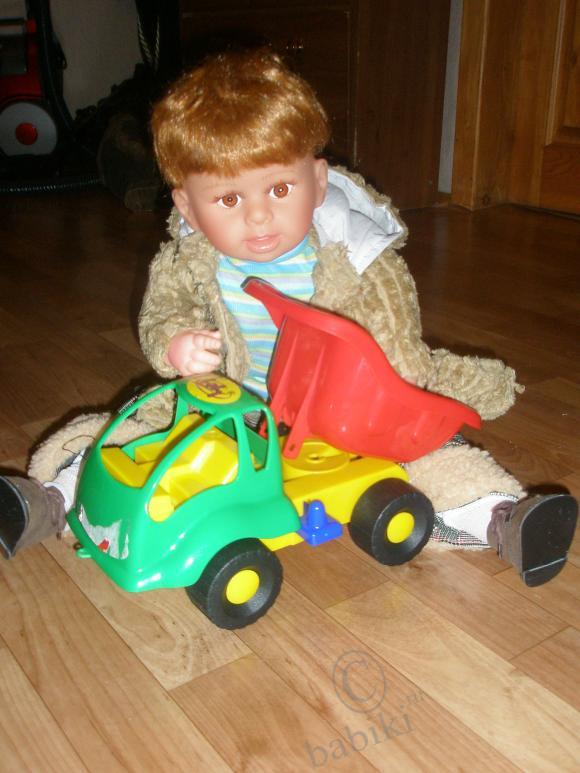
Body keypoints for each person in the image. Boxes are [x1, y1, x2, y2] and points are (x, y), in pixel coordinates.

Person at [0, 49, 576, 587]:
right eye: (229, 199)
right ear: (188, 207)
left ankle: (502, 519)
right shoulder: (189, 259)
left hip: (339, 413)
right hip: (227, 406)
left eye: (279, 188)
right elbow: (163, 312)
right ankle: (49, 498)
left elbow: (396, 344)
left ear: (318, 181)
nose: (258, 217)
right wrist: (175, 344)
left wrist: (399, 397)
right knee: (120, 433)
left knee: (428, 450)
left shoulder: (358, 257)